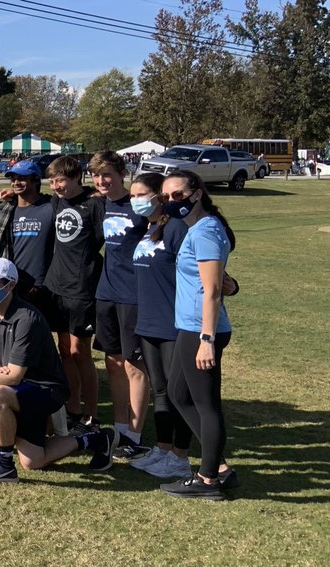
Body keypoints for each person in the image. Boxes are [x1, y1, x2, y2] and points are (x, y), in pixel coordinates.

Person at [0, 258, 119, 484]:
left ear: (11, 285)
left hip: (46, 390)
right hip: (23, 388)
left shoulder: (27, 318)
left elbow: (14, 376)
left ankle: (3, 466)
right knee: (33, 461)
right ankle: (98, 439)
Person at [158, 170, 239, 500]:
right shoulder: (201, 229)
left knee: (206, 405)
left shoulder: (205, 230)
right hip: (189, 326)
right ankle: (217, 465)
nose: (171, 201)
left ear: (196, 193)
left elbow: (213, 291)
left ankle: (208, 480)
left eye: (177, 195)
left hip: (201, 330)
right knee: (179, 394)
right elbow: (216, 278)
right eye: (166, 197)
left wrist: (206, 339)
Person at [127, 173, 195, 479]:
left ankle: (181, 456)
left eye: (141, 195)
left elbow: (197, 270)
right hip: (148, 323)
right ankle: (164, 448)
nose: (136, 201)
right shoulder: (149, 228)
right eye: (132, 196)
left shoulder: (177, 228)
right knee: (159, 390)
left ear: (158, 196)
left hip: (173, 323)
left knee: (178, 392)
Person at [89, 151, 152, 461]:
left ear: (122, 174)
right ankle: (120, 427)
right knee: (113, 364)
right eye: (97, 175)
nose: (102, 180)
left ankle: (136, 436)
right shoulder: (99, 204)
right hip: (105, 295)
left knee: (134, 366)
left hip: (134, 297)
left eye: (107, 174)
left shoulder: (139, 205)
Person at [43, 156, 105, 435]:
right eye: (53, 181)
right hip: (56, 288)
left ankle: (91, 415)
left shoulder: (94, 205)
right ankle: (73, 409)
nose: (57, 186)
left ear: (77, 177)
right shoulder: (56, 202)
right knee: (64, 351)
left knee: (81, 352)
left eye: (62, 181)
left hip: (82, 289)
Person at [0, 160, 55, 313]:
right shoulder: (4, 210)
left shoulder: (51, 207)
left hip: (44, 285)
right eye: (13, 179)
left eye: (22, 178)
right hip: (13, 282)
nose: (16, 182)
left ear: (35, 180)